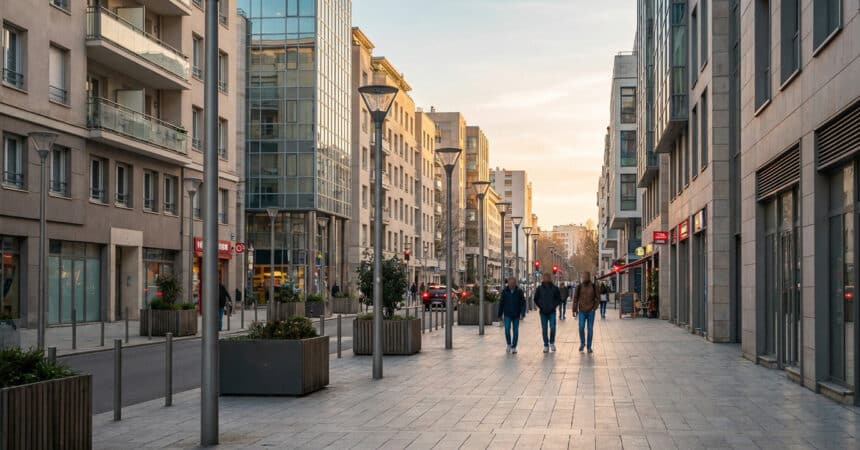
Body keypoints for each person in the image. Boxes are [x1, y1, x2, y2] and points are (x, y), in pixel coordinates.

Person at [533, 272, 562, 353]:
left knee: (553, 327)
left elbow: (558, 298)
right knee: (544, 329)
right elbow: (535, 299)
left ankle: (552, 342)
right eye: (545, 277)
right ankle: (546, 345)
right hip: (543, 312)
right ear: (543, 279)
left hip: (552, 311)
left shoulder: (555, 288)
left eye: (548, 277)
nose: (546, 279)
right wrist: (540, 306)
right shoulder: (539, 288)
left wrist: (554, 306)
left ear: (550, 278)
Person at [498, 276, 527, 354]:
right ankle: (508, 344)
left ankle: (514, 347)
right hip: (507, 314)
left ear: (515, 283)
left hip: (516, 314)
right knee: (507, 329)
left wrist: (522, 313)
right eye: (510, 283)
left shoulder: (519, 291)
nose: (511, 285)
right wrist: (500, 315)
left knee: (515, 331)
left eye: (513, 283)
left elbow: (523, 303)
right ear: (508, 283)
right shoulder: (505, 291)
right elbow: (501, 303)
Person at [573, 272, 599, 353]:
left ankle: (589, 347)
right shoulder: (579, 286)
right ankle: (582, 343)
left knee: (590, 329)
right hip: (582, 311)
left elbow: (598, 298)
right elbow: (575, 298)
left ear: (589, 277)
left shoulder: (594, 286)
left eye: (586, 276)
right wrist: (574, 309)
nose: (585, 277)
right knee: (581, 327)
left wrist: (594, 308)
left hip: (591, 311)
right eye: (584, 276)